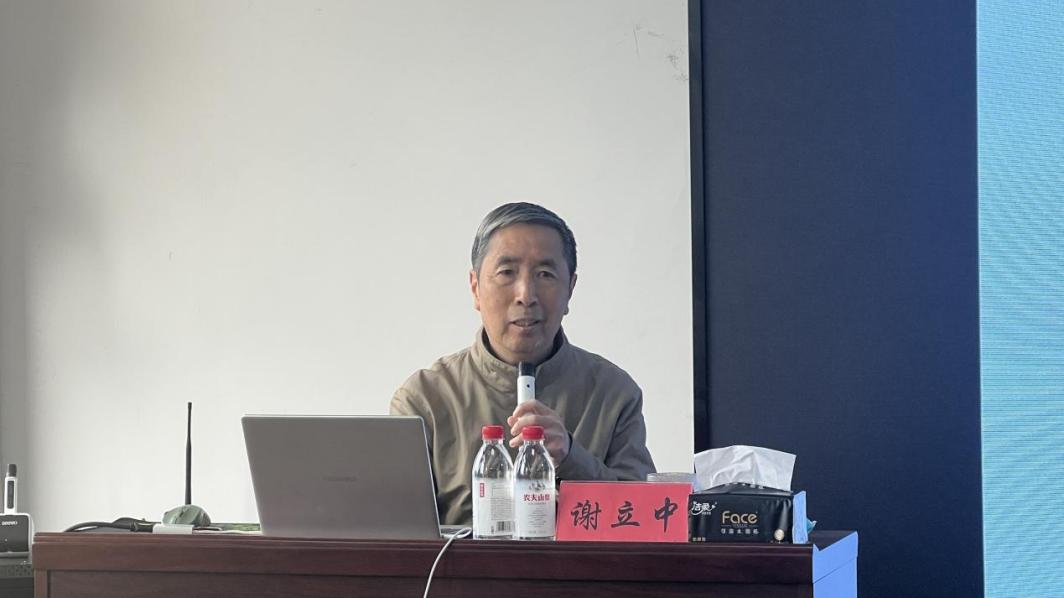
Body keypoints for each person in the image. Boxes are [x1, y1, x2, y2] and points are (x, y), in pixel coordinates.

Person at [390, 202, 655, 525]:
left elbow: (646, 521)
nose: (526, 295)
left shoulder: (614, 393)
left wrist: (572, 457)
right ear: (475, 288)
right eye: (507, 273)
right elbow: (397, 533)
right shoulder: (425, 399)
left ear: (570, 289)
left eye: (545, 274)